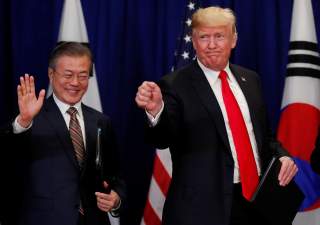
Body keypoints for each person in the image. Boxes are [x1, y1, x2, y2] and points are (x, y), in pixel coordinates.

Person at [135, 6, 298, 225]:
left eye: (219, 36)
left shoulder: (251, 80)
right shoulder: (174, 84)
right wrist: (156, 111)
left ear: (234, 39)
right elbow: (162, 138)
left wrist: (283, 156)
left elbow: (264, 138)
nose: (211, 45)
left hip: (257, 204)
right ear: (194, 42)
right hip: (203, 210)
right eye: (204, 37)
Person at [8, 42, 126, 225]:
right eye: (68, 75)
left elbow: (115, 175)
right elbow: (7, 161)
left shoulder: (101, 121)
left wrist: (116, 198)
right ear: (51, 74)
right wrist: (23, 123)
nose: (75, 83)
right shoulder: (29, 118)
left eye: (83, 76)